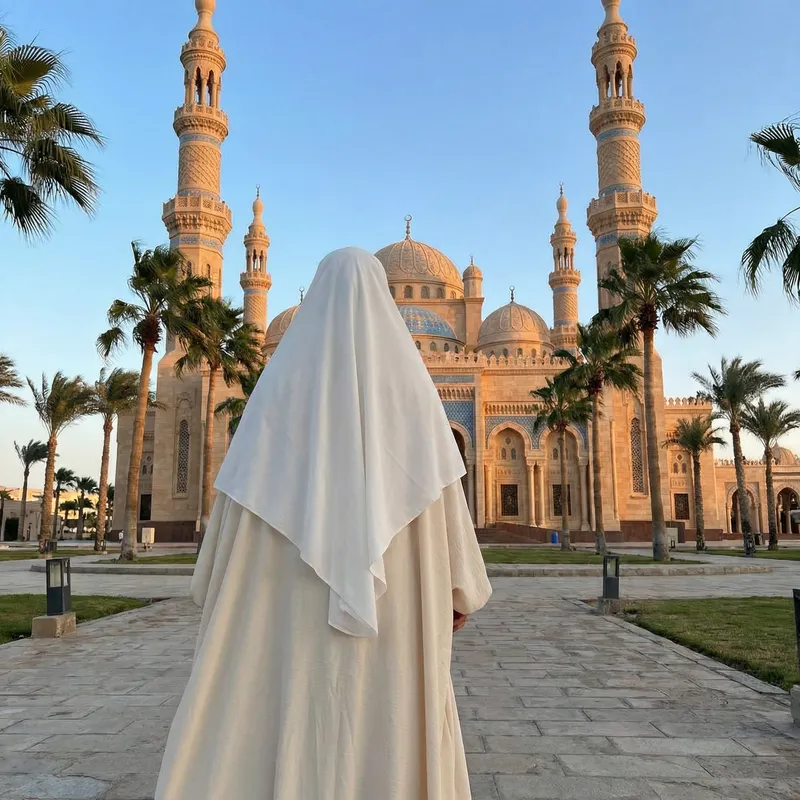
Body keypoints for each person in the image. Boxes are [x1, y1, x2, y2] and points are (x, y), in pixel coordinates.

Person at [154, 246, 492, 800]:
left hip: (284, 644)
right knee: (389, 739)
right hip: (395, 640)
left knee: (291, 733)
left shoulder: (272, 404)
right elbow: (459, 570)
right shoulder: (420, 409)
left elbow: (214, 567)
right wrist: (451, 597)